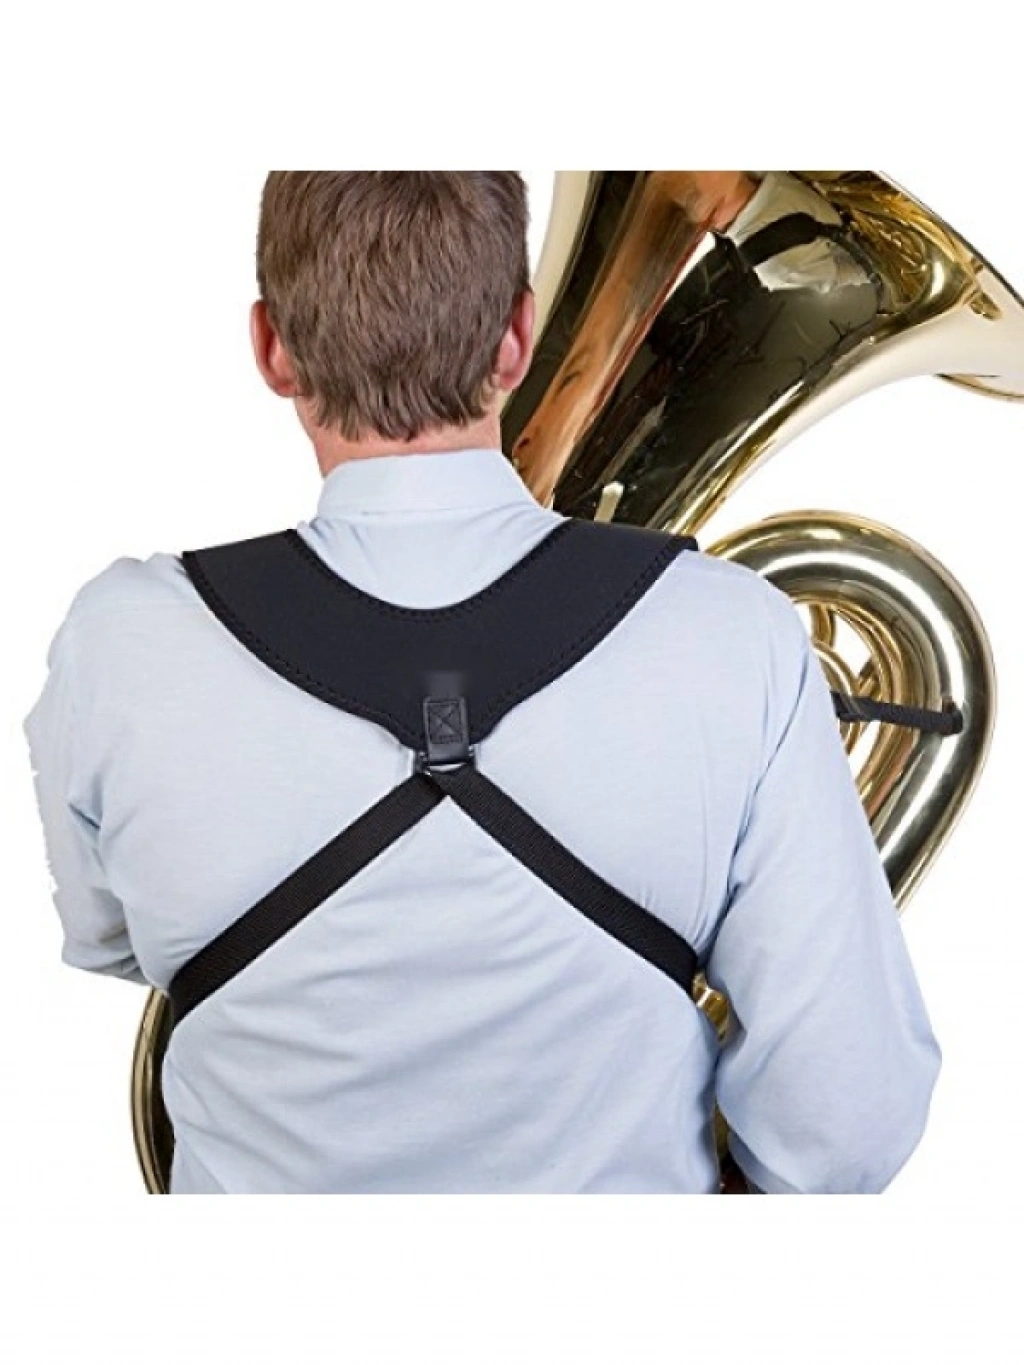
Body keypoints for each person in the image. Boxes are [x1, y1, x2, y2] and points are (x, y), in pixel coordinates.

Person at [21, 172, 941, 1194]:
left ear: (271, 348)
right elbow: (849, 1115)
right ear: (516, 339)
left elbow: (112, 939)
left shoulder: (119, 640)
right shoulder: (735, 630)